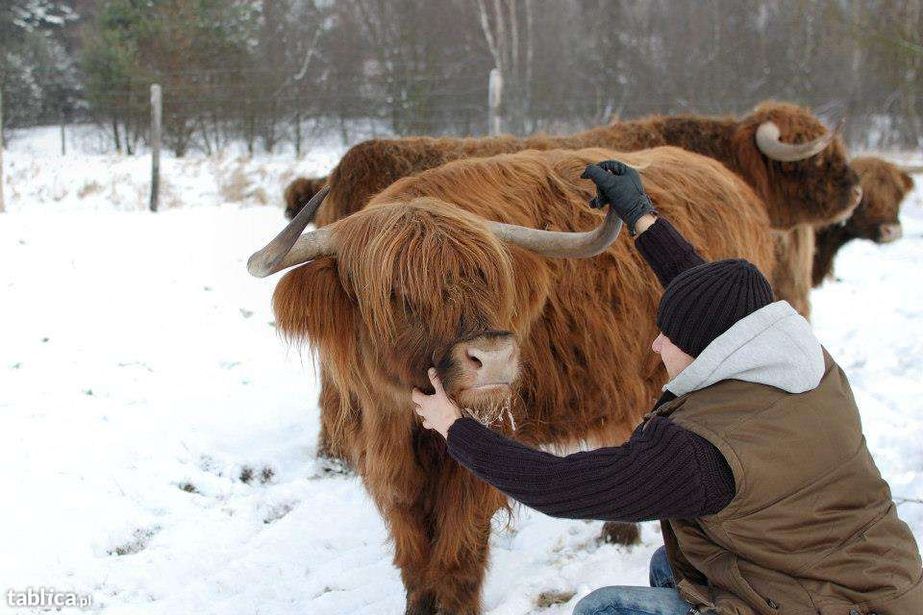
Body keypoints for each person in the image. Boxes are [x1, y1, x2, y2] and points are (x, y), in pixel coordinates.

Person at [411, 160, 922, 615]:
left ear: (708, 350)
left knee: (603, 608)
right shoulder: (803, 361)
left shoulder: (703, 453)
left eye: (669, 337)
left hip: (824, 603)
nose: (655, 346)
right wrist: (639, 213)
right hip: (875, 580)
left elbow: (561, 487)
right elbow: (705, 289)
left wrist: (455, 428)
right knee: (672, 563)